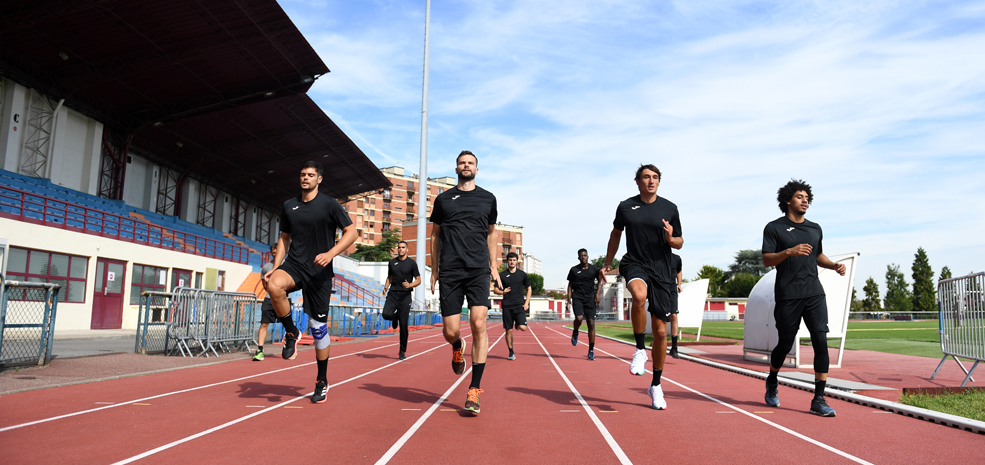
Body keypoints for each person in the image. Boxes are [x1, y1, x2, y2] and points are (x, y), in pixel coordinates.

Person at [264, 161, 357, 404]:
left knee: (318, 329)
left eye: (311, 175)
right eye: (303, 174)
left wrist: (331, 253)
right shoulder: (289, 205)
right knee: (274, 285)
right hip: (295, 264)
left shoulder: (329, 204)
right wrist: (274, 268)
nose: (305, 178)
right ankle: (291, 331)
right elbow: (285, 238)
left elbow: (352, 232)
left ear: (319, 179)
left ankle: (322, 380)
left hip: (319, 270)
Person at [762, 179, 845, 417]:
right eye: (800, 196)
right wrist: (789, 251)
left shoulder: (815, 228)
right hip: (788, 295)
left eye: (807, 197)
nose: (805, 200)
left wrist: (834, 265)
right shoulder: (774, 228)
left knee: (821, 341)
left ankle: (819, 399)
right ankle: (773, 377)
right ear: (788, 200)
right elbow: (767, 259)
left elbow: (818, 255)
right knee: (785, 344)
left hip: (814, 293)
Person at [602, 164, 682, 410]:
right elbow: (616, 234)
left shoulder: (670, 208)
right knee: (638, 296)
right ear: (637, 181)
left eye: (655, 177)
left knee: (660, 333)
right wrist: (607, 262)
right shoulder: (626, 206)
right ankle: (639, 350)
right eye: (646, 177)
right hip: (635, 262)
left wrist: (670, 238)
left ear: (659, 182)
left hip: (662, 270)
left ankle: (656, 385)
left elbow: (679, 242)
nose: (651, 181)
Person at [429, 150, 501, 414]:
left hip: (478, 270)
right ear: (456, 168)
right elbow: (435, 236)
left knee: (479, 323)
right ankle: (457, 347)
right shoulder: (444, 199)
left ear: (477, 169)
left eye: (470, 163)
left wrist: (493, 266)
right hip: (450, 270)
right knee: (450, 331)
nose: (466, 166)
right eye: (462, 163)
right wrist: (434, 268)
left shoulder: (488, 198)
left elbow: (492, 234)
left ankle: (474, 390)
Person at [383, 241, 421, 361]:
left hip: (405, 296)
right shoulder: (392, 262)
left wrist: (410, 285)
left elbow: (418, 280)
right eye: (399, 247)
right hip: (393, 294)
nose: (400, 249)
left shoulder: (412, 263)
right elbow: (389, 277)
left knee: (403, 326)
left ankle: (402, 351)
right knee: (385, 314)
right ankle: (395, 317)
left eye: (403, 247)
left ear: (407, 250)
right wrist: (385, 287)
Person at [253, 244, 293, 361]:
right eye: (274, 253)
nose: (275, 254)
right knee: (264, 324)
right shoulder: (266, 267)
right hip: (269, 299)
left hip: (285, 299)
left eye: (278, 252)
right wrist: (272, 291)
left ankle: (289, 347)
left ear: (284, 252)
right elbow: (264, 283)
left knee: (287, 325)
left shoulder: (289, 265)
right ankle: (260, 350)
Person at [566, 249, 604, 360]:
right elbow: (570, 285)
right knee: (579, 317)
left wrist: (597, 294)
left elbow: (600, 281)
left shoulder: (594, 269)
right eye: (581, 256)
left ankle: (591, 351)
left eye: (585, 255)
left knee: (591, 324)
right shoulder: (574, 270)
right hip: (577, 297)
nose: (583, 257)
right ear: (578, 258)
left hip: (590, 299)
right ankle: (575, 331)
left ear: (588, 256)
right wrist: (569, 299)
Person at [492, 252, 530, 361]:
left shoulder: (522, 274)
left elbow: (529, 289)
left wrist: (526, 302)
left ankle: (518, 323)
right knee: (508, 330)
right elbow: (495, 289)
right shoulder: (502, 275)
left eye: (514, 260)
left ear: (517, 261)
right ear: (507, 261)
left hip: (519, 306)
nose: (512, 262)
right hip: (507, 306)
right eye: (510, 260)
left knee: (523, 328)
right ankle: (511, 351)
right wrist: (503, 292)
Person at [668, 253, 683, 359]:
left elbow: (679, 271)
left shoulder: (676, 258)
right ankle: (661, 344)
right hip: (659, 288)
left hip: (672, 288)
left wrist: (679, 284)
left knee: (674, 315)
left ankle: (674, 348)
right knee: (659, 317)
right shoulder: (655, 255)